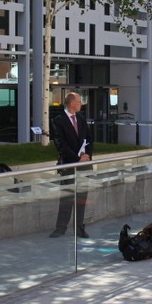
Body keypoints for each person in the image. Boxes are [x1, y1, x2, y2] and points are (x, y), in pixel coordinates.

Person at [50, 92, 93, 238]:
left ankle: (79, 228)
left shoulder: (81, 118)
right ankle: (60, 228)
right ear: (72, 103)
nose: (81, 104)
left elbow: (89, 139)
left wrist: (87, 156)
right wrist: (76, 158)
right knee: (66, 198)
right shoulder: (58, 120)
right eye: (79, 101)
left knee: (81, 198)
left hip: (83, 165)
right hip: (68, 165)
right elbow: (60, 144)